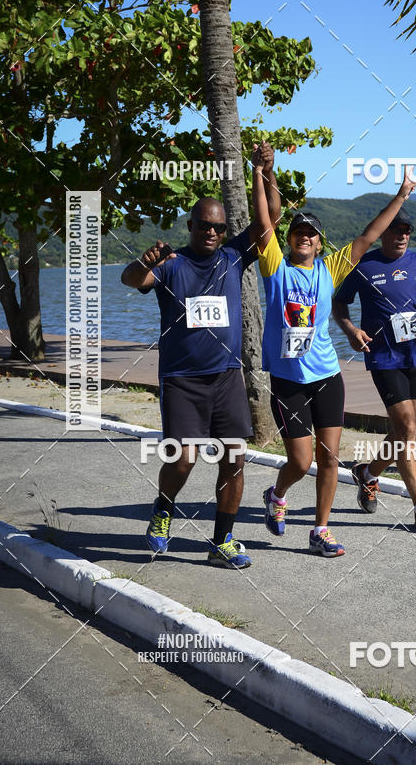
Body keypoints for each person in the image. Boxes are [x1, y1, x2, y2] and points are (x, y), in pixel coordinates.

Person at [120, 143, 280, 567]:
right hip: (181, 379)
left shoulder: (232, 257)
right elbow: (130, 278)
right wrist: (144, 260)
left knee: (234, 459)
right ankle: (163, 510)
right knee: (183, 457)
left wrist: (265, 173)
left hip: (226, 376)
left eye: (219, 228)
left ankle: (221, 542)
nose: (211, 232)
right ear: (190, 225)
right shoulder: (172, 263)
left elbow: (270, 222)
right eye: (204, 226)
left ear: (225, 232)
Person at [252, 155, 416, 557]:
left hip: (326, 375)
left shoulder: (332, 269)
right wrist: (259, 174)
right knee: (301, 460)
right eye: (298, 232)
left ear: (320, 243)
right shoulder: (275, 268)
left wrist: (401, 194)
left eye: (311, 233)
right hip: (289, 382)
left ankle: (320, 530)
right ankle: (277, 494)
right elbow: (262, 225)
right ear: (289, 241)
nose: (304, 237)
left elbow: (370, 233)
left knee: (330, 460)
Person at [332, 208, 416, 530]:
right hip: (383, 358)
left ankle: (367, 474)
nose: (402, 236)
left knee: (409, 431)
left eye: (406, 230)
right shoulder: (364, 265)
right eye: (395, 230)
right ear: (384, 233)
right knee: (407, 430)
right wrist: (352, 331)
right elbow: (339, 303)